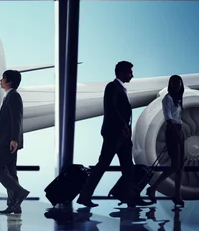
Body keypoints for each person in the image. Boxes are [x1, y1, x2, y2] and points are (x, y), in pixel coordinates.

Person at [77, 61, 149, 208]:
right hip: (115, 134)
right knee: (103, 165)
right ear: (121, 72)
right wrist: (123, 126)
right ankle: (84, 195)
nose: (132, 75)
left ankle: (132, 197)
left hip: (123, 136)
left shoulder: (120, 88)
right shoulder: (112, 87)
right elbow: (111, 108)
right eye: (129, 72)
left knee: (128, 168)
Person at [0, 70, 29, 215]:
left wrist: (14, 139)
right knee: (11, 172)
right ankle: (14, 204)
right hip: (6, 140)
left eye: (3, 78)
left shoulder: (14, 96)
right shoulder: (7, 97)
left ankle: (20, 192)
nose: (0, 80)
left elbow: (16, 118)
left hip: (8, 142)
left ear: (9, 82)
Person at [146, 75, 186, 207]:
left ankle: (177, 195)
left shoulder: (178, 99)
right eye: (175, 83)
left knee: (180, 166)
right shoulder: (167, 99)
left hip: (179, 130)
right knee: (175, 165)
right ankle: (153, 187)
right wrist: (176, 133)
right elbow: (168, 118)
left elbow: (178, 117)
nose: (177, 85)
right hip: (172, 130)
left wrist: (182, 132)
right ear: (170, 84)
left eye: (179, 83)